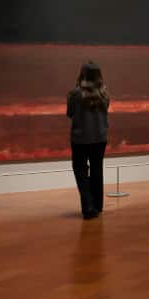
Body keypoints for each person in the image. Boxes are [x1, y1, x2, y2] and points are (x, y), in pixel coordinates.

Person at [66, 61, 109, 219]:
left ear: (82, 74)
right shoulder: (104, 94)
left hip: (80, 139)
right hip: (100, 137)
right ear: (99, 76)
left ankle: (88, 207)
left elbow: (70, 113)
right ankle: (97, 205)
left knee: (81, 171)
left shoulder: (75, 94)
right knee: (97, 170)